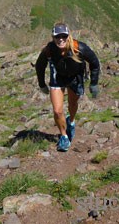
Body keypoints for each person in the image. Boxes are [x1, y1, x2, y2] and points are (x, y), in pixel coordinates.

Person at [35, 22, 100, 152]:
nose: (60, 39)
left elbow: (94, 62)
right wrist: (42, 84)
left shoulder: (79, 48)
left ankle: (71, 121)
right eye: (57, 37)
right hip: (58, 78)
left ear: (68, 36)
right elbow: (39, 65)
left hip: (75, 78)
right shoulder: (49, 50)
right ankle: (64, 137)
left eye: (63, 36)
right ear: (53, 38)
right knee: (58, 111)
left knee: (72, 104)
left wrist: (94, 83)